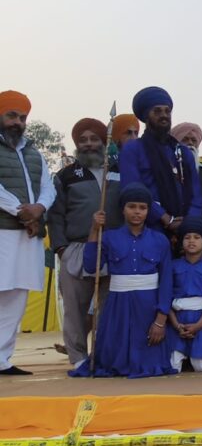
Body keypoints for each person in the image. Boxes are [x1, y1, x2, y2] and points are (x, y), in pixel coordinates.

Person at [71, 183, 175, 378]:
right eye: (132, 207)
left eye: (142, 208)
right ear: (123, 209)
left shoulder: (160, 240)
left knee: (150, 364)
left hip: (148, 306)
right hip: (117, 306)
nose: (137, 212)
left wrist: (161, 320)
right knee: (112, 361)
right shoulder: (108, 237)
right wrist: (94, 230)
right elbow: (91, 266)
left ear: (148, 211)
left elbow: (167, 281)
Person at [49, 117, 123, 370]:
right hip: (77, 247)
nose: (89, 144)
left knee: (106, 308)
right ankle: (79, 359)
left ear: (104, 142)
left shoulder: (118, 170)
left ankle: (102, 357)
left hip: (111, 247)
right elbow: (55, 214)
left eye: (94, 139)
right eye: (83, 140)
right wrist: (60, 247)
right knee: (76, 309)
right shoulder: (67, 175)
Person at [0, 90, 55, 375]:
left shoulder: (33, 152)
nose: (17, 123)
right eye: (11, 116)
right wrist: (23, 211)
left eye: (22, 118)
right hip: (3, 232)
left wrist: (40, 207)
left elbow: (49, 186)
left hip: (27, 235)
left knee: (16, 297)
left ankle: (2, 360)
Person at [119, 86, 202, 237]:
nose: (164, 115)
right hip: (149, 229)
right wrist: (165, 218)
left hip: (186, 232)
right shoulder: (133, 149)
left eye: (167, 111)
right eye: (157, 111)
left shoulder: (183, 152)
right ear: (146, 116)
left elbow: (196, 194)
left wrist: (189, 222)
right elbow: (132, 190)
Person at [166, 216, 202, 372]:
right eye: (187, 237)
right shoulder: (173, 266)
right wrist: (176, 325)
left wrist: (199, 325)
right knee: (172, 364)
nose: (191, 241)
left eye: (197, 237)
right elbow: (166, 298)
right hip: (177, 322)